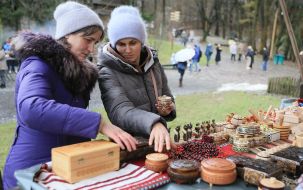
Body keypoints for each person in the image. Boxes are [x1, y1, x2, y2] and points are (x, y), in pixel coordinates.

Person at [3, 2, 137, 189]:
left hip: (68, 171)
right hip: (30, 174)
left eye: (95, 42)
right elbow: (31, 108)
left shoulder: (79, 73)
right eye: (87, 39)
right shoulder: (37, 64)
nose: (91, 49)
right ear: (67, 33)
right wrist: (99, 123)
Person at [98, 5, 176, 153]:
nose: (128, 50)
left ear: (141, 41)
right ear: (114, 44)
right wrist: (154, 123)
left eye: (133, 43)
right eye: (121, 44)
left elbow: (168, 96)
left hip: (159, 140)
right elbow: (120, 110)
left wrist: (168, 110)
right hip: (129, 146)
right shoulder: (107, 71)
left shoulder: (154, 63)